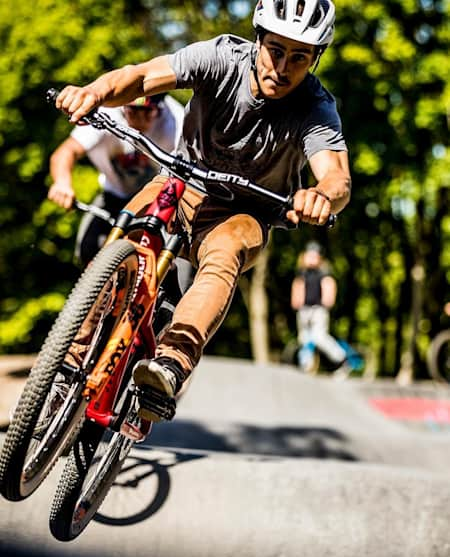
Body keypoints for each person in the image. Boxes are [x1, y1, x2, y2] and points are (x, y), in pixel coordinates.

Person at [54, 0, 352, 422]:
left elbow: (337, 175)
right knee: (128, 239)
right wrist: (95, 92)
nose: (283, 67)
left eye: (299, 56)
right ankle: (70, 358)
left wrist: (321, 195)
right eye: (275, 49)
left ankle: (170, 364)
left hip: (245, 212)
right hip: (182, 182)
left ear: (315, 58)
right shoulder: (220, 58)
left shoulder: (316, 107)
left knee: (225, 253)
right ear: (258, 40)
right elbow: (141, 77)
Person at [48, 93, 185, 266]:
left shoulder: (177, 122)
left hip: (158, 201)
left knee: (174, 260)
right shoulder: (105, 113)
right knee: (87, 249)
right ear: (123, 108)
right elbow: (66, 152)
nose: (140, 119)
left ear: (160, 109)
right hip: (114, 196)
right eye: (133, 112)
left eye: (147, 112)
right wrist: (62, 183)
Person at [290, 240, 348, 373]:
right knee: (304, 338)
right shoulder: (302, 273)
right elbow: (298, 287)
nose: (310, 259)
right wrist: (296, 301)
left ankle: (341, 358)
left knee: (319, 337)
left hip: (318, 310)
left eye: (314, 256)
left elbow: (329, 286)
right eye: (308, 256)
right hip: (304, 310)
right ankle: (306, 365)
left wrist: (327, 302)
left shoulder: (324, 273)